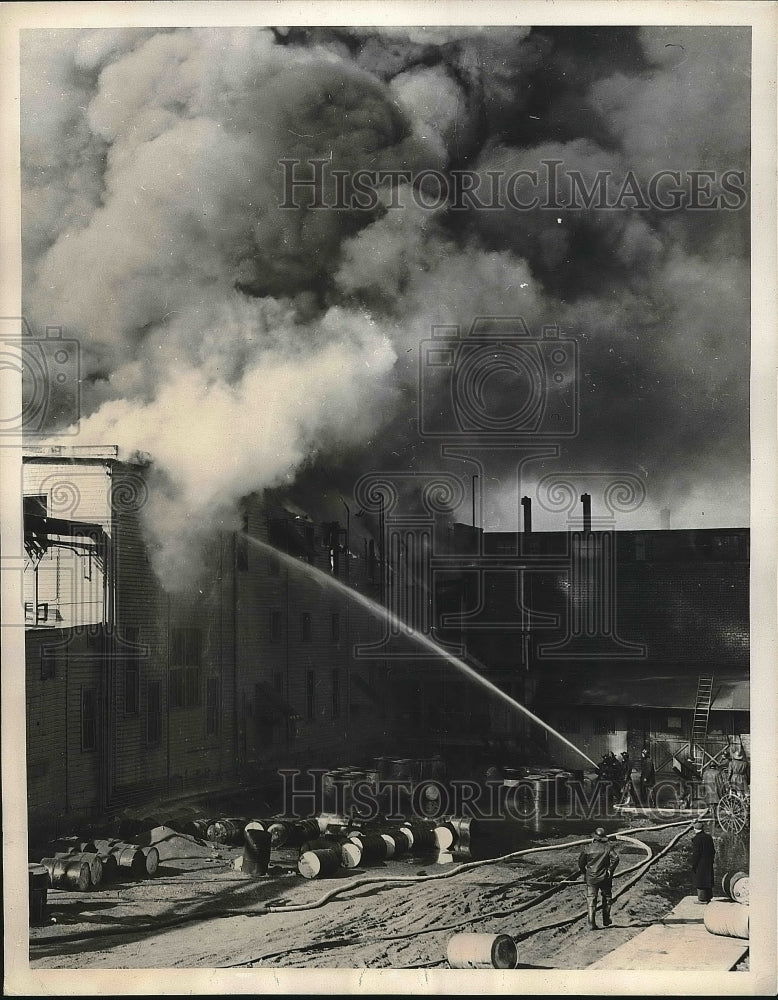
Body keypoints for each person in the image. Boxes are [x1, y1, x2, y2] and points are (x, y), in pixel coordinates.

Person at [578, 827, 620, 930]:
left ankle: (591, 923)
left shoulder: (587, 848)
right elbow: (616, 858)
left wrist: (586, 873)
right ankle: (606, 919)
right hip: (604, 877)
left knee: (591, 899)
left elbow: (581, 863)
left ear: (594, 838)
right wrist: (610, 870)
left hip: (591, 878)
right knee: (607, 897)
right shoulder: (607, 847)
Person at [690, 820, 716, 903]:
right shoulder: (709, 837)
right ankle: (708, 897)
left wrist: (693, 864)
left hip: (700, 863)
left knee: (700, 880)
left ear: (695, 829)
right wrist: (712, 860)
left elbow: (696, 853)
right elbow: (713, 850)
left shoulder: (696, 839)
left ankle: (702, 899)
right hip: (708, 861)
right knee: (708, 878)